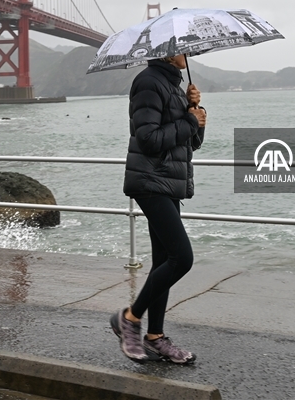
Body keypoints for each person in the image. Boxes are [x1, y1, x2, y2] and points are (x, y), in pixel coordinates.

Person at [110, 53, 206, 364]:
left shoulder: (173, 86)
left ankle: (155, 337)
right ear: (165, 51)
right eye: (182, 50)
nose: (187, 55)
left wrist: (195, 112)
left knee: (164, 260)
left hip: (167, 181)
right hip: (150, 182)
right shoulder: (149, 83)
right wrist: (189, 120)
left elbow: (190, 143)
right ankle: (129, 317)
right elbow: (149, 139)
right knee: (182, 258)